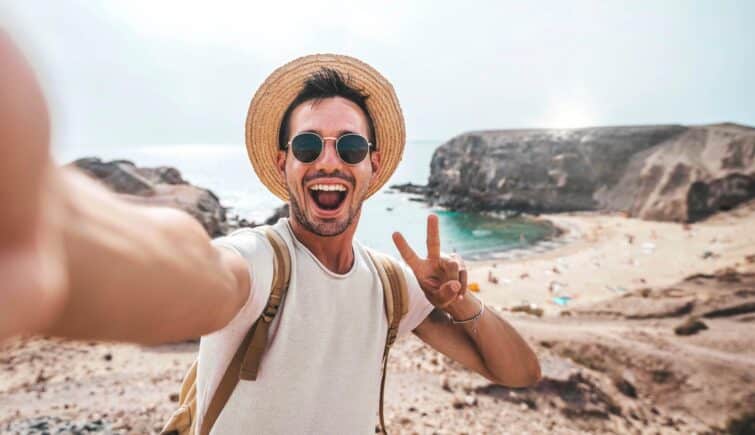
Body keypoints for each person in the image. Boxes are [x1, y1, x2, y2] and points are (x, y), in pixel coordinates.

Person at [0, 34, 540, 433]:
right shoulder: (259, 259)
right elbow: (200, 275)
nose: (329, 161)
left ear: (372, 165)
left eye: (349, 147)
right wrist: (50, 234)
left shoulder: (392, 286)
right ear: (284, 161)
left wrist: (462, 302)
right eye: (309, 146)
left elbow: (518, 371)